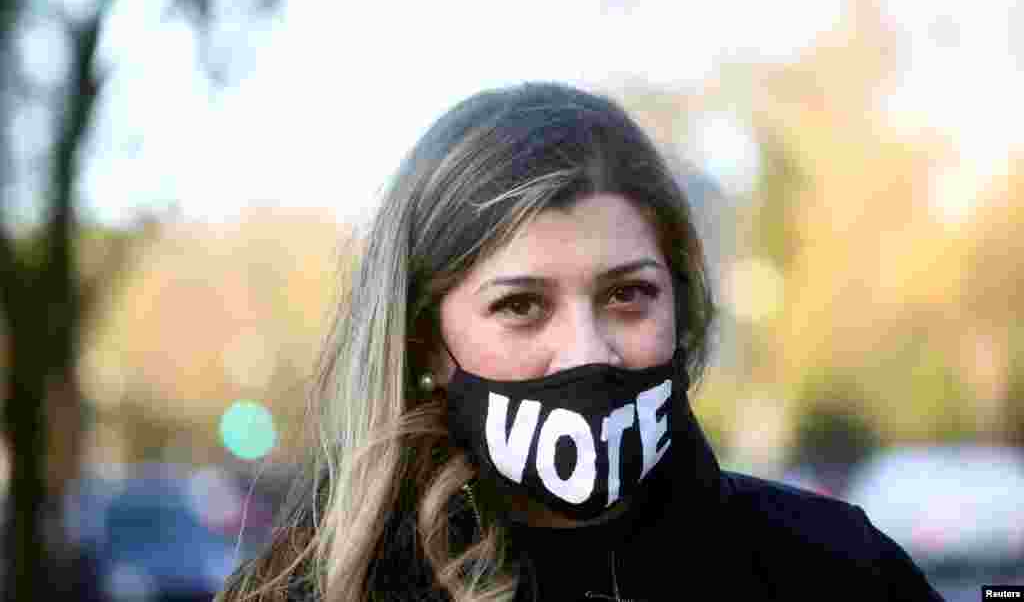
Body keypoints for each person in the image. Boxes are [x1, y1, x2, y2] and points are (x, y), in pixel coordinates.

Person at [218, 82, 944, 601]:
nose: (588, 351)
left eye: (627, 295)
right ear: (425, 341)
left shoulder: (838, 570)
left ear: (681, 304)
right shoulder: (309, 588)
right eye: (521, 305)